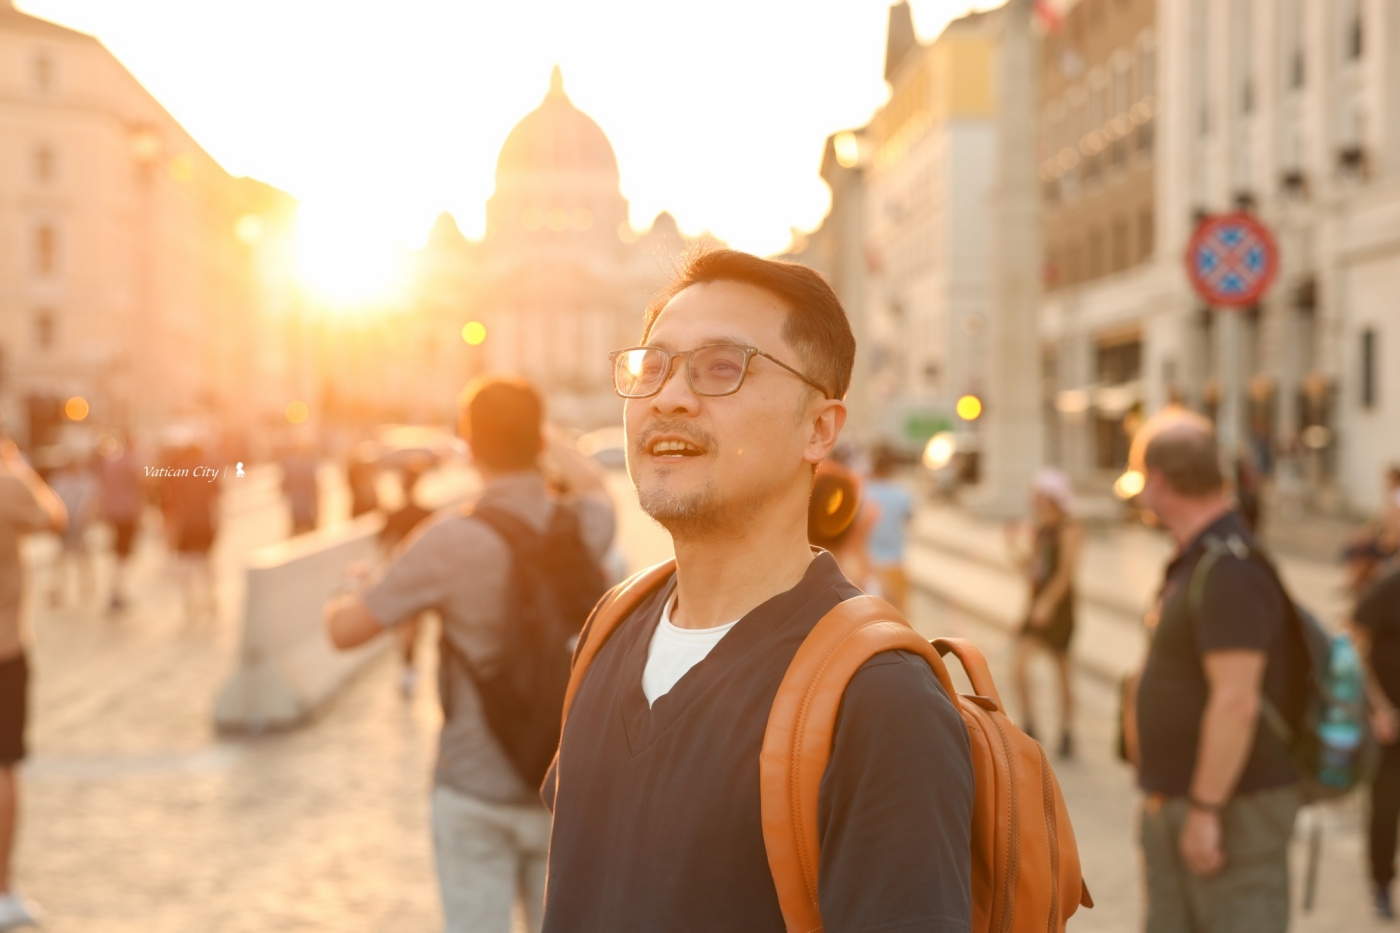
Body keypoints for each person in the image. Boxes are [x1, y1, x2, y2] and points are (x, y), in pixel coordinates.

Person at [540, 250, 973, 931]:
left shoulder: (880, 699)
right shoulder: (610, 628)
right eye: (651, 366)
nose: (668, 396)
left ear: (819, 428)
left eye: (721, 367)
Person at [324, 378, 614, 933]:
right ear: (537, 442)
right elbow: (596, 485)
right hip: (562, 790)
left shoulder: (447, 540)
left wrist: (346, 586)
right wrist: (546, 441)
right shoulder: (583, 525)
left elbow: (346, 632)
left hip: (475, 784)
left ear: (469, 446)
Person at [1133, 412, 1303, 933]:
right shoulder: (1198, 559)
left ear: (1159, 481)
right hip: (1181, 798)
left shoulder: (1231, 569)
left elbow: (1237, 701)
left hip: (1233, 809)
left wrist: (1206, 811)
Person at [0, 438, 67, 928]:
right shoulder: (8, 484)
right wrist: (21, 468)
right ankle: (2, 889)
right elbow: (55, 518)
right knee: (2, 769)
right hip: (3, 648)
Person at [1005, 467, 1081, 757]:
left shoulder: (1070, 528)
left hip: (1058, 606)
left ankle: (1067, 730)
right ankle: (1029, 724)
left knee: (1062, 670)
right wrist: (1012, 546)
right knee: (1018, 668)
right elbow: (1033, 571)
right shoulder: (1040, 529)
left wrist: (1047, 604)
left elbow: (1065, 574)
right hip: (1038, 603)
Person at [1350, 556, 1400, 918]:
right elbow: (1351, 644)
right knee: (1385, 808)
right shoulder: (1390, 584)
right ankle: (1381, 882)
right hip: (1391, 725)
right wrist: (1377, 706)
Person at [378, 466, 434, 697]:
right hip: (424, 578)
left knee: (405, 625)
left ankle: (408, 666)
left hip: (404, 578)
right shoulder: (426, 513)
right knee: (416, 626)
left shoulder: (394, 514)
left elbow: (382, 542)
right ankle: (412, 665)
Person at [161, 444, 220, 624]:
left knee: (186, 566)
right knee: (205, 563)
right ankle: (210, 598)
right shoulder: (206, 472)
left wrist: (170, 532)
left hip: (186, 525)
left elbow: (171, 504)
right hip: (203, 522)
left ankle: (189, 601)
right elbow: (216, 500)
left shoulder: (178, 474)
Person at [864, 445, 914, 612]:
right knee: (899, 619)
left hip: (867, 564)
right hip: (894, 562)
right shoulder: (902, 495)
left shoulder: (862, 492)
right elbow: (908, 521)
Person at [97, 434, 143, 613]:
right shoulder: (131, 462)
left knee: (118, 552)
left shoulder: (109, 462)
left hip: (112, 512)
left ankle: (115, 590)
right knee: (123, 554)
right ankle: (117, 590)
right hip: (127, 512)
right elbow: (139, 487)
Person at [46, 451, 98, 607]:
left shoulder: (85, 480)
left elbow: (89, 502)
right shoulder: (59, 480)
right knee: (61, 560)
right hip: (64, 526)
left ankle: (86, 588)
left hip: (78, 526)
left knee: (82, 559)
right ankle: (58, 590)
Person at [281, 442, 319, 536]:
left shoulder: (289, 466)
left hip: (296, 508)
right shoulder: (308, 464)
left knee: (297, 532)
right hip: (307, 507)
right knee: (311, 534)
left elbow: (284, 486)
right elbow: (313, 485)